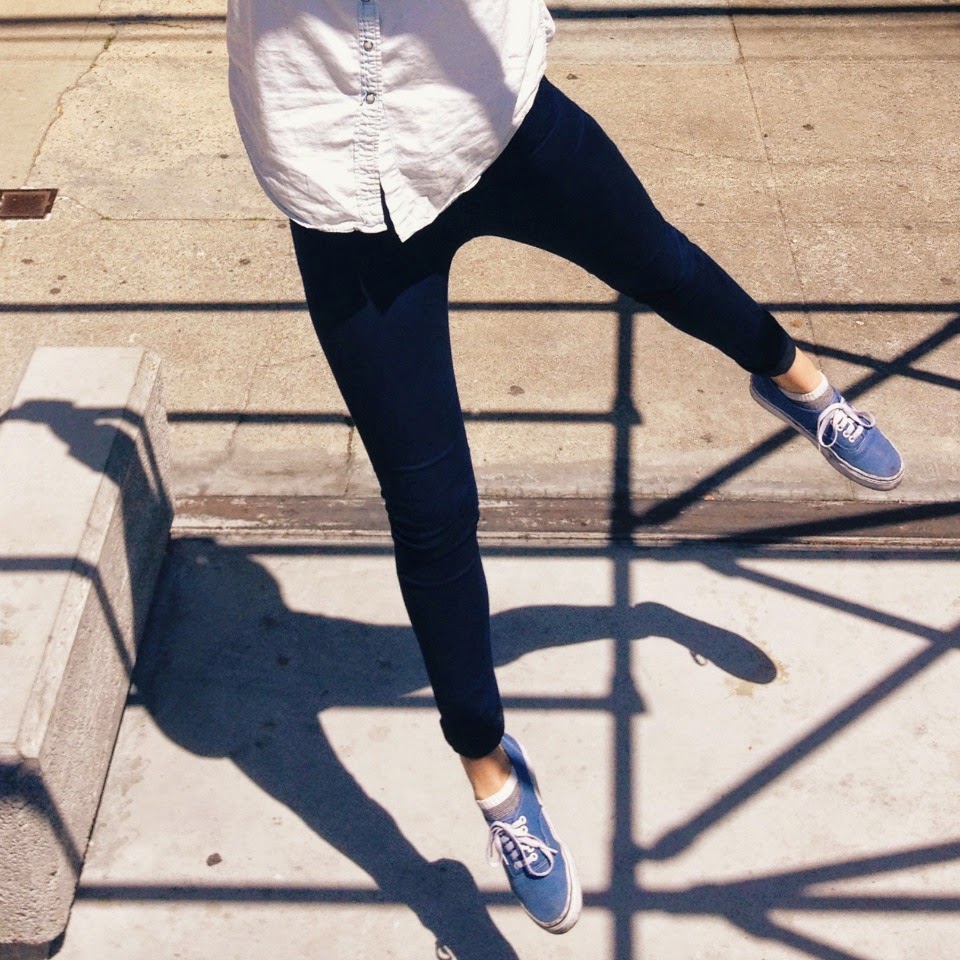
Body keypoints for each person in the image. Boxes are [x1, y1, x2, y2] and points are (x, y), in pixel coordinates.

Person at [225, 0, 903, 935]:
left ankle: (793, 376)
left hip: (488, 114)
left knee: (661, 263)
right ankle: (496, 781)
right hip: (339, 178)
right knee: (429, 507)